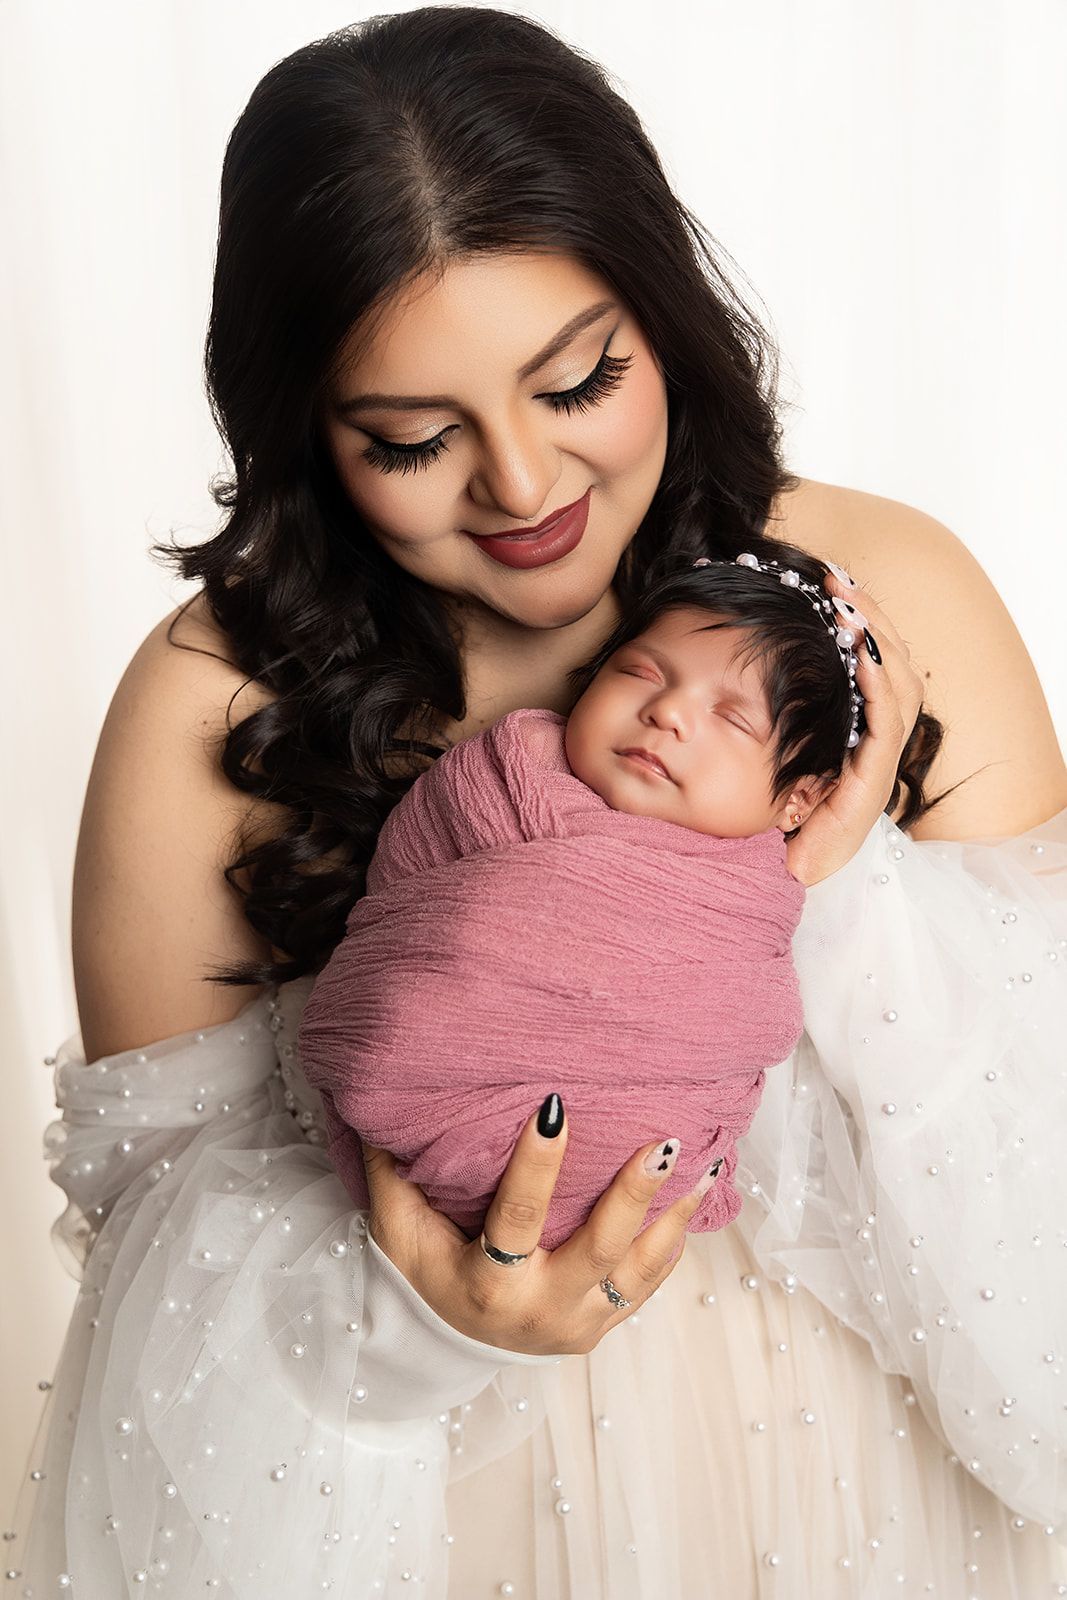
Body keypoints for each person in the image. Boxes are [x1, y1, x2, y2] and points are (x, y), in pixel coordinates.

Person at [6, 8, 1067, 1596]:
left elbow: (1029, 1207)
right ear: (308, 435)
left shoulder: (879, 597)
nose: (520, 488)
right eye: (414, 440)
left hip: (866, 1505)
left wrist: (824, 882)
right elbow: (173, 1344)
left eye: (576, 383)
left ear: (661, 312)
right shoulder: (212, 715)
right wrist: (415, 1324)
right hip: (441, 1535)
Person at [296, 547, 867, 1254]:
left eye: (731, 718)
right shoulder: (498, 776)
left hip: (632, 1192)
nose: (665, 714)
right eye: (639, 674)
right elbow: (396, 914)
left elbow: (742, 1016)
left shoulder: (752, 892)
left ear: (798, 800)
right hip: (397, 1135)